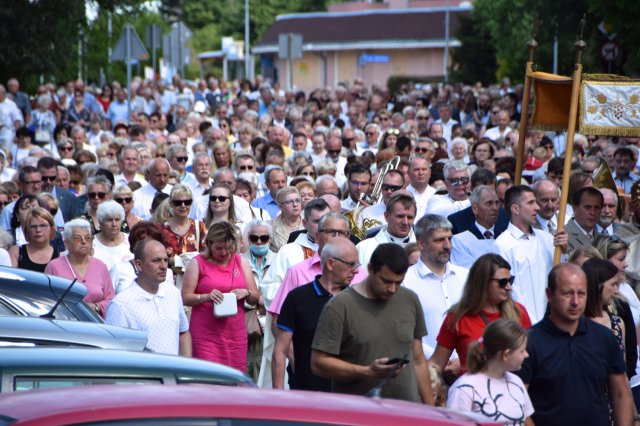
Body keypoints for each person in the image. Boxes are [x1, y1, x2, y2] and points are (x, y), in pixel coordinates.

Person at [311, 243, 434, 404]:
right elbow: (318, 363)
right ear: (370, 269)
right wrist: (367, 372)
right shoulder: (339, 306)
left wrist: (431, 409)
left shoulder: (410, 300)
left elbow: (418, 361)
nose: (392, 289)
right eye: (386, 281)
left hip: (407, 412)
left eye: (398, 282)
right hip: (358, 414)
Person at [515, 263, 634, 425]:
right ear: (549, 294)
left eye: (581, 294)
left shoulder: (604, 337)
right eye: (567, 294)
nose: (575, 302)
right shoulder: (529, 342)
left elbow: (620, 394)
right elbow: (517, 402)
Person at [273, 238, 360, 391]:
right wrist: (278, 395)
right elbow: (280, 350)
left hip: (346, 396)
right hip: (305, 394)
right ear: (331, 263)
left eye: (356, 265)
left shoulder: (356, 301)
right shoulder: (297, 298)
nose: (356, 270)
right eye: (351, 264)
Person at [430, 254, 532, 381]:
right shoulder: (457, 317)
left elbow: (531, 360)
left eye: (510, 280)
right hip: (472, 394)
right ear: (483, 282)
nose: (508, 287)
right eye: (502, 282)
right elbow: (437, 364)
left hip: (511, 392)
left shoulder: (519, 312)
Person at [181, 222, 261, 372]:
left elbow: (255, 296)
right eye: (219, 248)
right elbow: (185, 297)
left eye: (228, 248)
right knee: (208, 377)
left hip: (235, 333)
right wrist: (206, 297)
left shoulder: (239, 261)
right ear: (209, 243)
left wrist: (246, 293)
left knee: (234, 378)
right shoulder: (198, 263)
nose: (224, 252)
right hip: (206, 333)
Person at [495, 185, 569, 323]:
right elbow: (510, 290)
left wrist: (564, 251)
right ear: (515, 208)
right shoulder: (502, 245)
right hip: (522, 323)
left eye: (535, 202)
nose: (537, 207)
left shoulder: (547, 238)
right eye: (530, 203)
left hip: (552, 320)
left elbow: (560, 275)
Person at [106, 239, 191, 356]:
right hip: (143, 373)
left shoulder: (174, 293)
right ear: (139, 265)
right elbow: (114, 353)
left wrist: (185, 368)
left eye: (165, 260)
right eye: (156, 261)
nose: (163, 266)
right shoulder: (120, 305)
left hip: (173, 372)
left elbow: (183, 332)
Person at [402, 214, 468, 361]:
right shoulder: (405, 282)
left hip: (468, 367)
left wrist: (462, 360)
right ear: (421, 243)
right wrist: (439, 360)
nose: (447, 246)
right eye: (439, 240)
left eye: (449, 239)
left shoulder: (466, 277)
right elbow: (406, 331)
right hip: (426, 369)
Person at [447, 319, 534, 425]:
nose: (526, 355)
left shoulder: (516, 382)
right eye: (522, 351)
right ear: (505, 354)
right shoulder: (465, 388)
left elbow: (526, 419)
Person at [45, 219, 115, 318]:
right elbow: (46, 300)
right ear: (66, 243)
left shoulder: (100, 266)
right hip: (65, 322)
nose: (83, 242)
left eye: (87, 238)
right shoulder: (54, 266)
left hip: (95, 322)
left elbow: (111, 300)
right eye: (78, 238)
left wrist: (96, 307)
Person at [159, 184, 206, 283]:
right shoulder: (161, 229)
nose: (183, 206)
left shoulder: (199, 226)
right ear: (171, 204)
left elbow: (206, 255)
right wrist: (170, 261)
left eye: (187, 202)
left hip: (195, 280)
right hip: (169, 281)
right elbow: (156, 257)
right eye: (178, 203)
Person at [92, 200, 132, 286]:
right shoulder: (91, 244)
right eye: (109, 220)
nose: (114, 224)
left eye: (117, 220)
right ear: (101, 222)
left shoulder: (131, 240)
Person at [9, 207, 59, 273]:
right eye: (33, 226)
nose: (38, 230)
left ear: (52, 229)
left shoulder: (60, 256)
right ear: (27, 230)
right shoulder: (16, 252)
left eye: (43, 226)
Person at [270, 187, 304, 253]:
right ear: (280, 206)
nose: (295, 204)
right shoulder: (270, 227)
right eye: (290, 202)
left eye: (297, 200)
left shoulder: (308, 224)